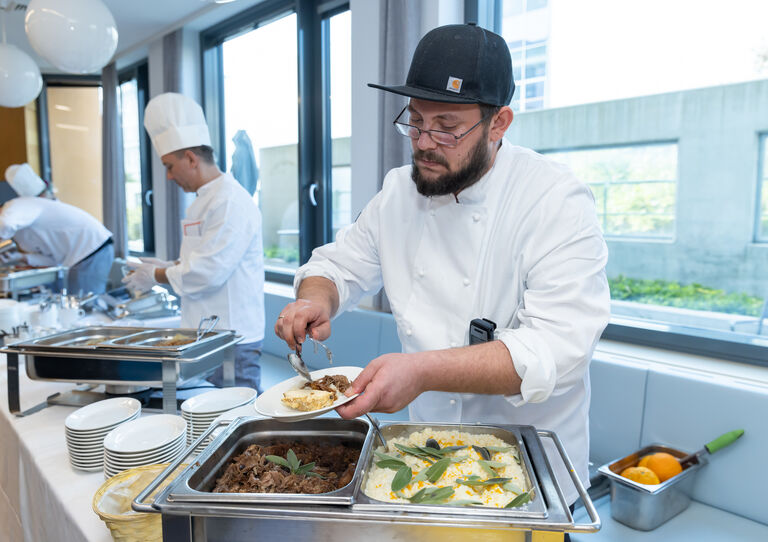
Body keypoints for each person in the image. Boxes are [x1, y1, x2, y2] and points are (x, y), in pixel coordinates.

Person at [275, 23, 610, 507]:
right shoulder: (398, 193)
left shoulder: (554, 199)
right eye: (415, 121)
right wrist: (314, 299)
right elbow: (337, 264)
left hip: (532, 475)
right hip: (424, 465)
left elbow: (556, 349)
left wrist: (422, 371)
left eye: (447, 128)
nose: (424, 143)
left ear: (499, 124)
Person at [123, 92, 265, 393]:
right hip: (207, 330)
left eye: (169, 166)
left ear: (190, 158)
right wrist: (168, 266)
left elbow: (209, 270)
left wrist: (157, 275)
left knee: (233, 419)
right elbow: (202, 258)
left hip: (232, 336)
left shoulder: (230, 202)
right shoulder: (205, 201)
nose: (169, 176)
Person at [0, 163, 114, 294]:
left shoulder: (17, 204)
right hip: (84, 254)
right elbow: (53, 260)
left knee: (85, 302)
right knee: (75, 302)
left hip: (91, 248)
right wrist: (21, 257)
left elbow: (5, 224)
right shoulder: (22, 226)